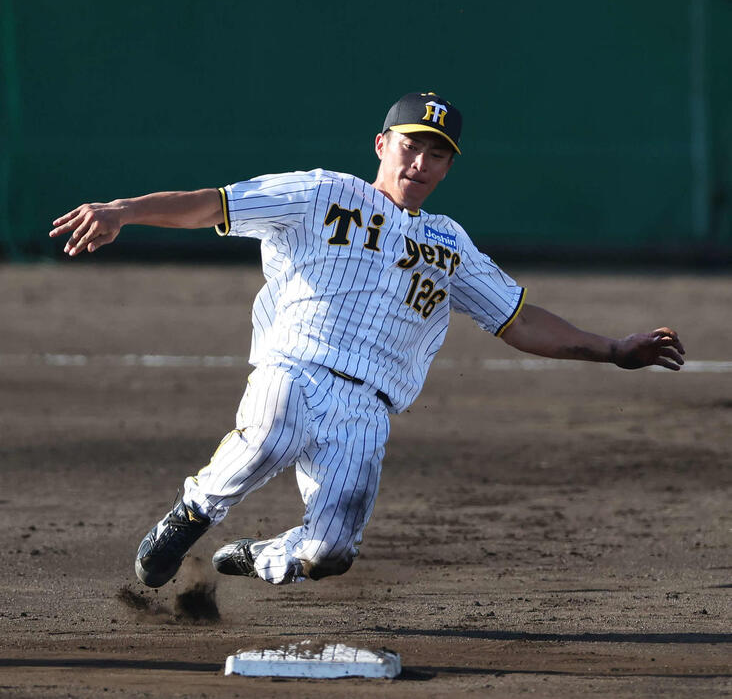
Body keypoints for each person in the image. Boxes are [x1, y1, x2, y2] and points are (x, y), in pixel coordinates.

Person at [50, 92, 685, 588]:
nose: (421, 163)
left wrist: (611, 349)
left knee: (331, 554)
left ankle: (262, 556)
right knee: (267, 435)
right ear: (382, 144)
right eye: (411, 145)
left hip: (370, 407)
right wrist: (122, 211)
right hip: (294, 368)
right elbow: (210, 205)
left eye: (437, 154)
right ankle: (191, 514)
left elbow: (518, 319)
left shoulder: (450, 244)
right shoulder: (323, 192)